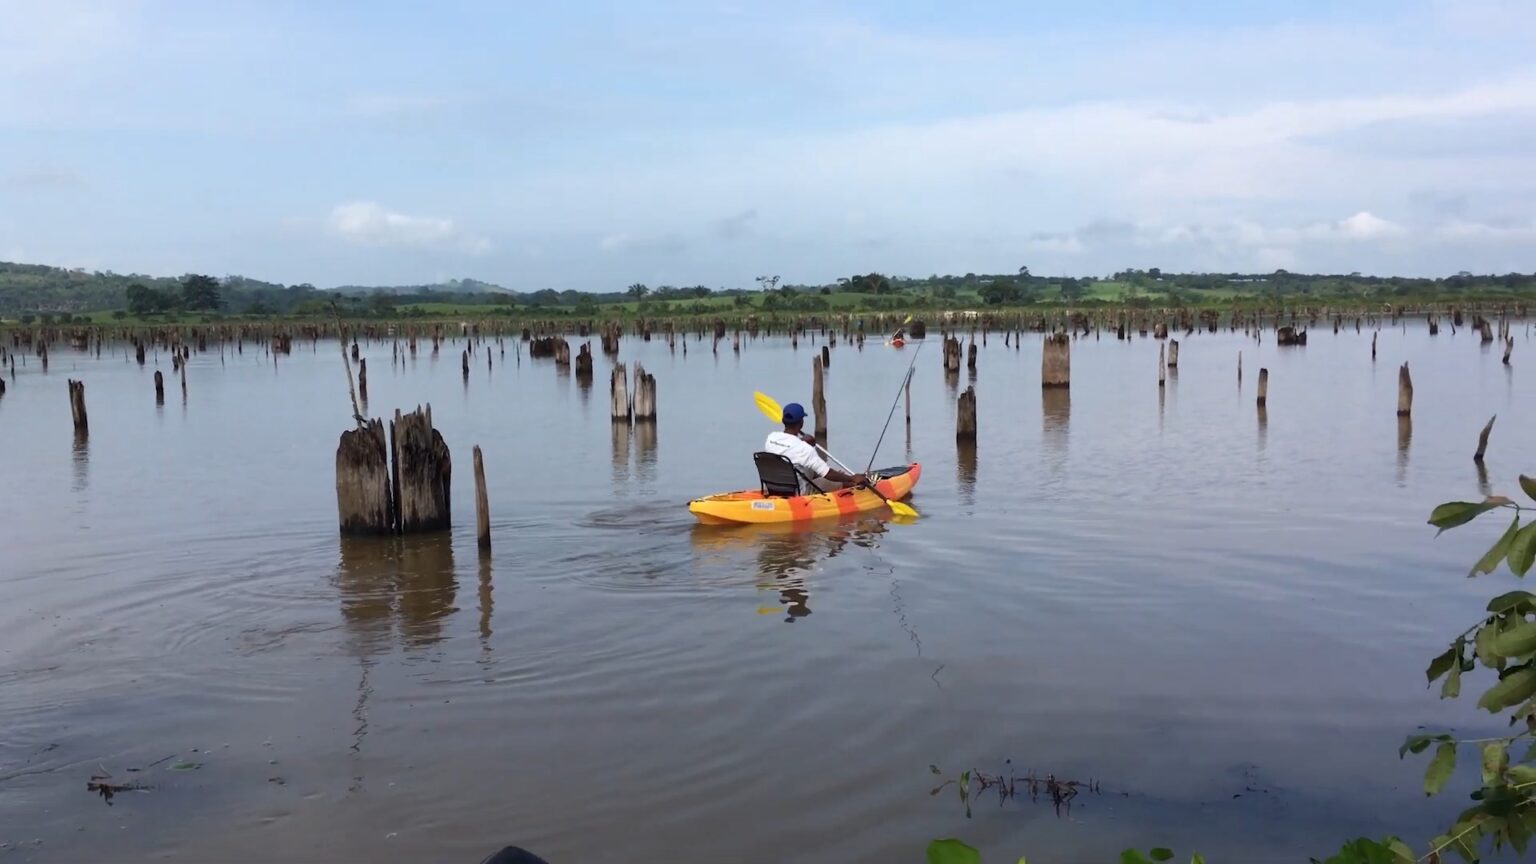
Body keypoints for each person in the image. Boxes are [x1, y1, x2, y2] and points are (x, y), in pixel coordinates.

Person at [764, 402, 867, 492]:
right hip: (799, 491)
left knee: (808, 465)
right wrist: (852, 478)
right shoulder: (804, 449)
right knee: (827, 480)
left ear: (783, 421)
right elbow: (828, 474)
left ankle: (838, 477)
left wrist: (802, 441)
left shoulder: (771, 438)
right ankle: (854, 483)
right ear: (801, 422)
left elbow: (789, 448)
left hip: (776, 486)